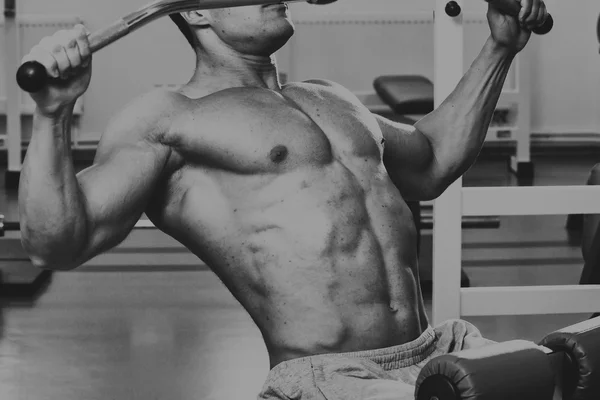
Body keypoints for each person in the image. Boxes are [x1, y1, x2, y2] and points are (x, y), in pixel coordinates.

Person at [18, 1, 549, 399]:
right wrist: (53, 113)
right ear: (198, 12)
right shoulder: (168, 117)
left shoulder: (331, 97)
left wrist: (499, 46)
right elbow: (57, 243)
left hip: (436, 350)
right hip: (333, 379)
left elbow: (431, 160)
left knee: (556, 368)